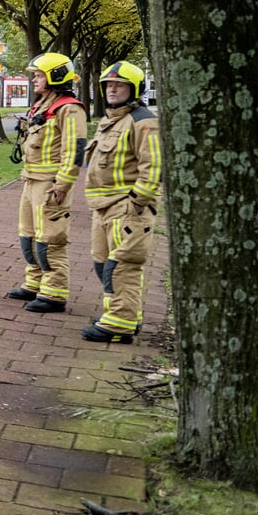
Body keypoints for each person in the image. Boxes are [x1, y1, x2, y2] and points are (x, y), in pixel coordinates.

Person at [81, 61, 162, 342]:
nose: (113, 89)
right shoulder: (113, 119)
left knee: (123, 265)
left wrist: (137, 203)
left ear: (134, 89)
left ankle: (121, 324)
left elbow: (153, 167)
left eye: (120, 84)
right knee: (103, 265)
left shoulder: (143, 121)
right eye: (109, 84)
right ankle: (120, 313)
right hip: (104, 206)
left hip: (126, 208)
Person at [8, 52, 89, 311]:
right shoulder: (42, 106)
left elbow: (74, 150)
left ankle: (54, 293)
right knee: (28, 237)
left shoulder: (70, 109)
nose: (34, 79)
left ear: (55, 76)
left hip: (51, 185)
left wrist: (63, 184)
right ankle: (34, 283)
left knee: (50, 240)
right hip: (32, 180)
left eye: (39, 75)